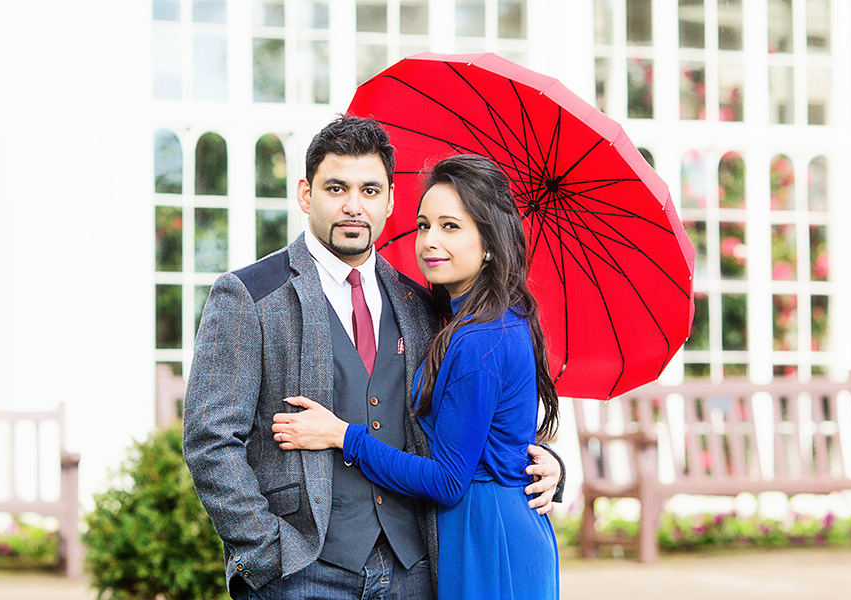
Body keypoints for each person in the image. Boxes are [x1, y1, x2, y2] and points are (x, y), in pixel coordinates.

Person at [183, 116, 565, 600]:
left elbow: (475, 421)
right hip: (304, 573)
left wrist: (547, 466)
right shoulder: (250, 297)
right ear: (306, 194)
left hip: (416, 571)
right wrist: (267, 553)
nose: (352, 206)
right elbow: (210, 440)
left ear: (389, 201)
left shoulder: (426, 305)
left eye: (369, 190)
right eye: (336, 188)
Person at [271, 154, 561, 600]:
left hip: (489, 535)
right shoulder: (472, 317)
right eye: (424, 224)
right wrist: (548, 462)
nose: (429, 241)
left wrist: (342, 435)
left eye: (451, 226)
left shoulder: (480, 337)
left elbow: (448, 480)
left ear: (488, 240)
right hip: (481, 526)